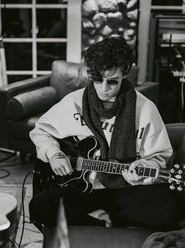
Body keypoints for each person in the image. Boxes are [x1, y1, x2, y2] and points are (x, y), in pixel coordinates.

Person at [29, 36, 182, 230]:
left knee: (170, 207)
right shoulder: (73, 102)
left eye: (112, 82)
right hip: (81, 188)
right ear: (91, 74)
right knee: (39, 205)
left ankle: (107, 219)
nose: (104, 89)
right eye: (98, 80)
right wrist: (55, 153)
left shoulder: (145, 109)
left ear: (124, 74)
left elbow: (159, 158)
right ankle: (104, 222)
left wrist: (143, 166)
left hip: (124, 189)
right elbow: (40, 131)